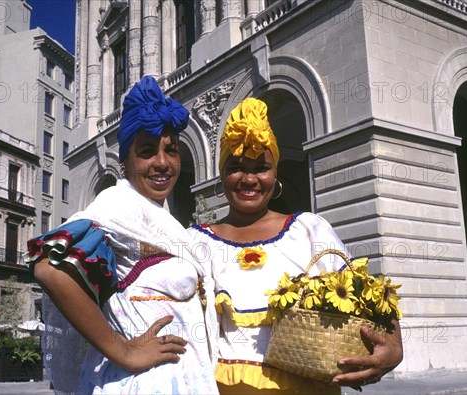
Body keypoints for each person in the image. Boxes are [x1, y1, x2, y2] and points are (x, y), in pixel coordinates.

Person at [188, 98, 403, 394]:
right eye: (236, 167)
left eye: (261, 168)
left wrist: (394, 345)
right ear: (222, 175)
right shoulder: (197, 241)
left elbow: (368, 293)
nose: (249, 179)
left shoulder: (308, 229)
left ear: (275, 174)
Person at [26, 76, 218, 394]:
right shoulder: (118, 206)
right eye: (147, 152)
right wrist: (124, 350)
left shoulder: (159, 218)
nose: (162, 162)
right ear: (125, 163)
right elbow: (49, 267)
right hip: (140, 383)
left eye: (171, 151)